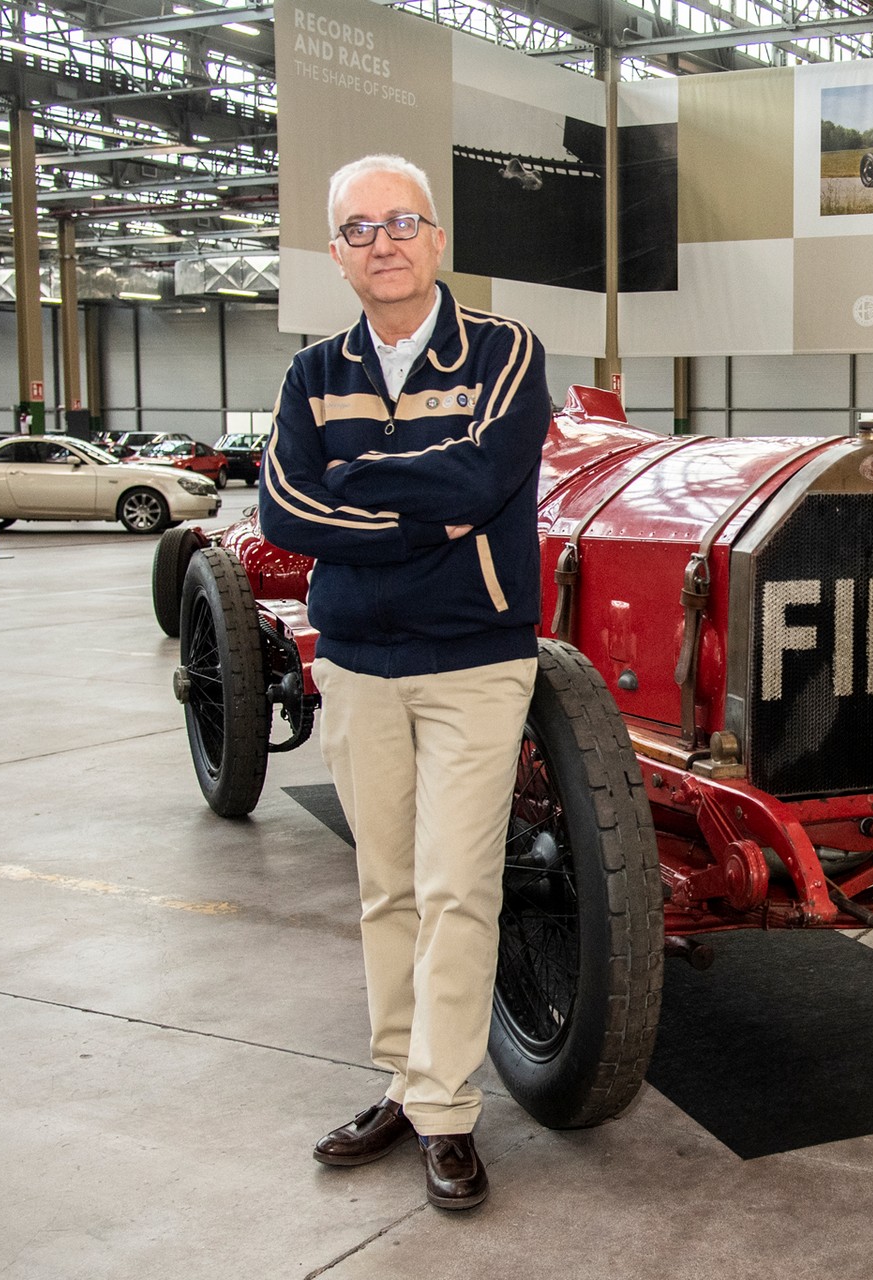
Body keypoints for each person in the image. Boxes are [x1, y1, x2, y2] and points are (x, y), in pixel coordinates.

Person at [258, 153, 550, 1211]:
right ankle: (401, 1077)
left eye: (402, 222)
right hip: (357, 663)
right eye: (360, 227)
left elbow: (484, 477)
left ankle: (446, 1108)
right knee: (384, 885)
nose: (383, 241)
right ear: (337, 255)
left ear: (436, 240)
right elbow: (285, 511)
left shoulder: (508, 352)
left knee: (457, 887)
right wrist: (424, 515)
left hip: (475, 658)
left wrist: (361, 493)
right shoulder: (310, 376)